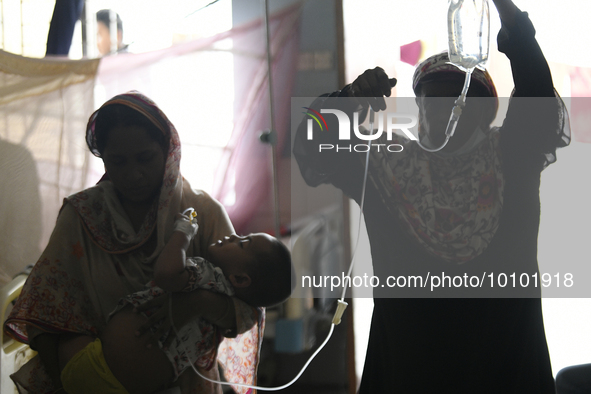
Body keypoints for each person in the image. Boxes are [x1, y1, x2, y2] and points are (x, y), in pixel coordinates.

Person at [294, 0, 569, 392]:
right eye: (429, 102)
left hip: (505, 369)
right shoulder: (387, 168)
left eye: (455, 101)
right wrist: (347, 100)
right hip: (410, 372)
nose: (439, 114)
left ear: (484, 112)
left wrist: (503, 7)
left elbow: (537, 93)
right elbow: (308, 146)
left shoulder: (512, 157)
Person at [4, 91, 262, 394]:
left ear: (167, 151)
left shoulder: (202, 214)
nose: (133, 174)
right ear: (103, 159)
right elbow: (44, 316)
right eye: (118, 161)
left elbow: (248, 307)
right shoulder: (83, 217)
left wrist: (196, 304)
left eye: (145, 158)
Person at [60, 211, 293, 394]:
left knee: (61, 327)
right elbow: (254, 317)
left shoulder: (206, 275)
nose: (234, 235)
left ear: (241, 278)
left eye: (243, 243)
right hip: (127, 388)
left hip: (95, 364)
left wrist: (183, 232)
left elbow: (166, 274)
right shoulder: (237, 315)